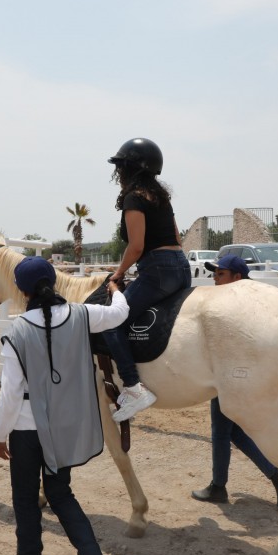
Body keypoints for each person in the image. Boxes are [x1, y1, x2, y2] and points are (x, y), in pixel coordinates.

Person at [0, 256, 126, 555]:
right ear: (52, 281)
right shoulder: (82, 315)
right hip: (64, 428)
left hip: (26, 430)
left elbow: (9, 395)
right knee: (60, 492)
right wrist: (115, 289)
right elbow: (118, 314)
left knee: (24, 497)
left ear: (22, 290)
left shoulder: (17, 331)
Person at [191, 255, 278, 507]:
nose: (214, 279)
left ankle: (219, 487)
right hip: (234, 374)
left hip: (232, 376)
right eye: (214, 274)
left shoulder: (236, 306)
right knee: (231, 430)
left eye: (220, 274)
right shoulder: (245, 301)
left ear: (237, 277)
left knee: (221, 430)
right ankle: (276, 477)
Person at [102, 137, 192, 422]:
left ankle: (132, 386)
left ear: (129, 169)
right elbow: (177, 238)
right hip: (180, 265)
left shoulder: (134, 198)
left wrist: (118, 274)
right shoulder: (162, 198)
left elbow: (137, 246)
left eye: (121, 168)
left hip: (157, 269)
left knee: (111, 320)